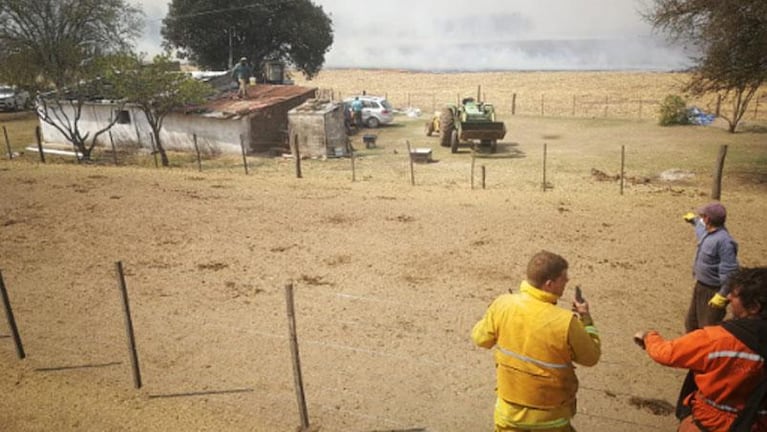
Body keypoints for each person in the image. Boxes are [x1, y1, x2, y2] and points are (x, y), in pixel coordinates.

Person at [471, 250, 601, 432]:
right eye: (563, 278)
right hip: (550, 419)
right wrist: (586, 319)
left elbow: (480, 339)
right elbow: (591, 357)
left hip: (508, 415)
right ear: (549, 284)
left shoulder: (503, 304)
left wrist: (495, 311)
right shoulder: (566, 322)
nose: (568, 281)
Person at [634, 267, 767, 432]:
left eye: (735, 295)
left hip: (708, 423)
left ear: (754, 307)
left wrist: (649, 337)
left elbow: (666, 353)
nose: (728, 297)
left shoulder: (717, 339)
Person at [683, 201, 739, 332]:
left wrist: (723, 294)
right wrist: (694, 221)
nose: (701, 218)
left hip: (713, 291)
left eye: (703, 216)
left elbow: (730, 271)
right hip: (700, 286)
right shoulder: (708, 233)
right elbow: (700, 229)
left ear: (708, 219)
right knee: (691, 323)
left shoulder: (724, 242)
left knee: (708, 328)